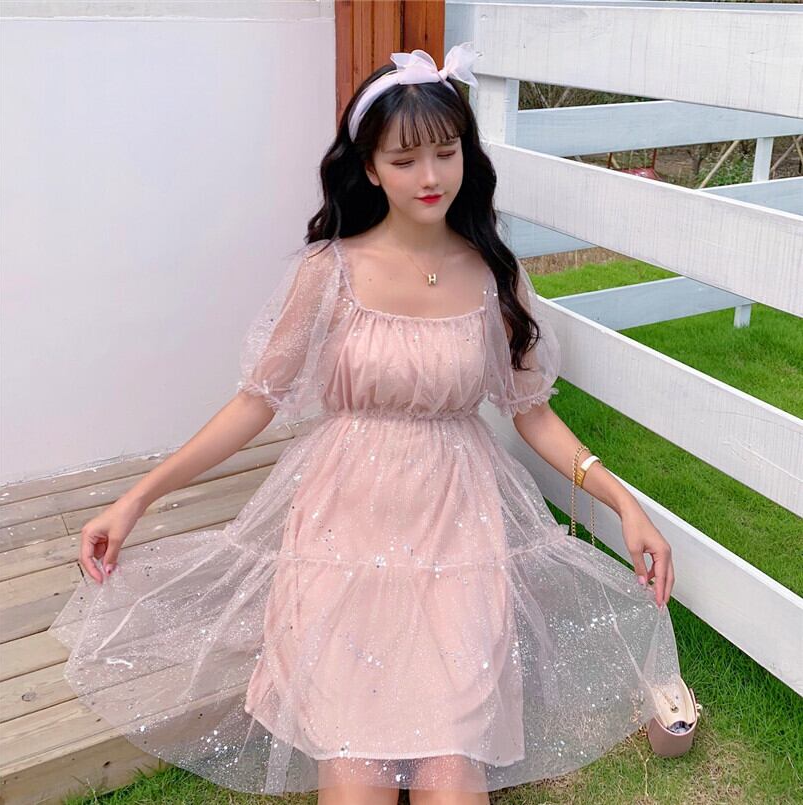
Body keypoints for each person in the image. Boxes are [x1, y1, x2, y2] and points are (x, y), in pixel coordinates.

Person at [49, 42, 681, 805]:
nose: (429, 176)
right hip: (343, 532)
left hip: (458, 533)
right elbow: (254, 402)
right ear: (370, 168)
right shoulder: (329, 272)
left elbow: (531, 412)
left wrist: (621, 502)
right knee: (357, 775)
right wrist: (136, 499)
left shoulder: (493, 274)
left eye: (445, 152)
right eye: (404, 159)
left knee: (453, 773)